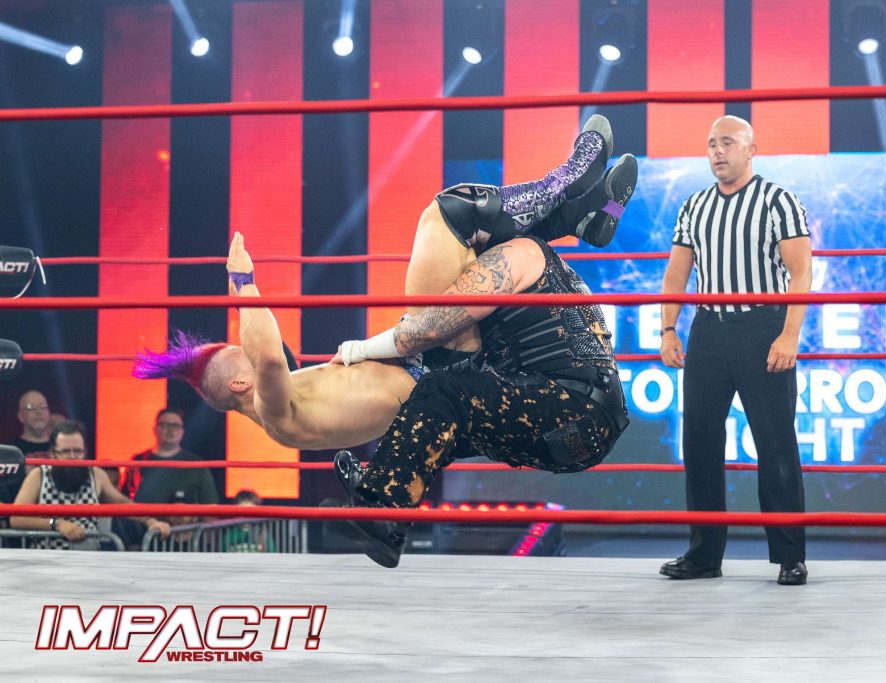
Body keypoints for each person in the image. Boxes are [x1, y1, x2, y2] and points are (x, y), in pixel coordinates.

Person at [132, 116, 637, 454]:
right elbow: (265, 355)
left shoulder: (298, 396)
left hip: (430, 355)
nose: (254, 347)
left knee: (470, 245)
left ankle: (579, 218)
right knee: (448, 213)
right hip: (440, 365)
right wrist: (242, 282)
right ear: (240, 385)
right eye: (239, 354)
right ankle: (567, 188)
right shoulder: (275, 412)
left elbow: (266, 352)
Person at [327, 230, 633, 568]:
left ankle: (382, 509)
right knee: (433, 424)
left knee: (443, 389)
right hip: (582, 426)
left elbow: (428, 330)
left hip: (572, 408)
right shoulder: (546, 264)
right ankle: (383, 505)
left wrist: (357, 350)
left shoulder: (515, 253)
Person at [658, 115, 812, 586]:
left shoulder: (777, 200)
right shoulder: (694, 206)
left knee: (775, 441)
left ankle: (790, 556)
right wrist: (668, 329)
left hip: (762, 326)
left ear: (750, 149)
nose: (717, 151)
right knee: (699, 442)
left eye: (727, 142)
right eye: (711, 144)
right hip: (708, 329)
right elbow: (676, 273)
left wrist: (789, 335)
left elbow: (801, 270)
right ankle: (704, 555)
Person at [9, 420, 170, 549]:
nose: (72, 457)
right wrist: (57, 524)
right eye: (65, 451)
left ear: (85, 451)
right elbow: (16, 518)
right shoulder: (39, 475)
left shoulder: (96, 474)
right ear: (53, 453)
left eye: (77, 451)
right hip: (48, 558)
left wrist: (151, 521)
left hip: (88, 558)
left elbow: (122, 503)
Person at [120, 407, 218, 505]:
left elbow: (210, 505)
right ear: (155, 429)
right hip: (143, 515)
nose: (170, 430)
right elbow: (124, 500)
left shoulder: (197, 465)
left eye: (175, 426)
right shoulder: (137, 462)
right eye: (164, 425)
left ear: (182, 431)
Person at [2, 390, 53, 506]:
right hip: (22, 511)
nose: (38, 412)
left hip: (57, 509)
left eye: (43, 407)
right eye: (31, 408)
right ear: (21, 416)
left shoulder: (62, 448)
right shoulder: (11, 451)